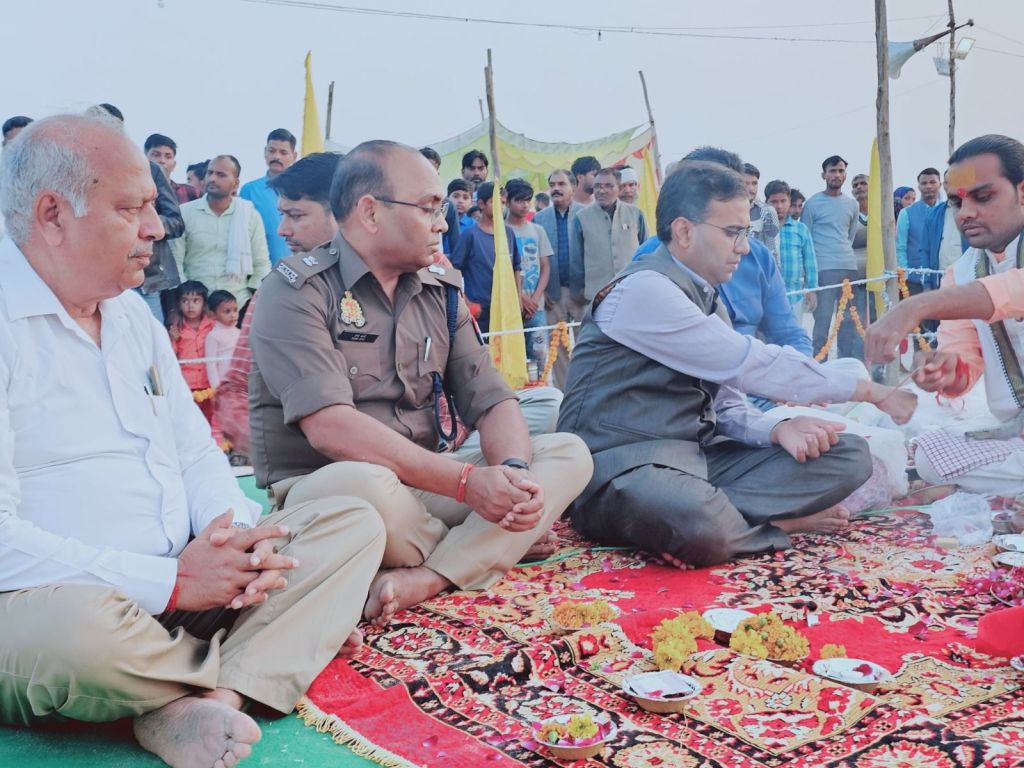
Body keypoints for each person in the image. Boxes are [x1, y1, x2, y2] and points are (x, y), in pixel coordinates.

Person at [0, 113, 384, 768]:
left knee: (350, 524)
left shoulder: (130, 316)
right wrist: (173, 584)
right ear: (53, 215)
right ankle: (251, 664)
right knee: (75, 636)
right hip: (60, 606)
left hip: (189, 582)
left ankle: (199, 701)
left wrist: (231, 538)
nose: (156, 229)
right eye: (132, 209)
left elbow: (194, 450)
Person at [248, 140, 592, 626]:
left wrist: (511, 476)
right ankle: (487, 547)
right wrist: (469, 486)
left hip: (427, 480)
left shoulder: (439, 289)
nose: (444, 223)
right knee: (364, 483)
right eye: (429, 208)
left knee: (568, 451)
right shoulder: (295, 290)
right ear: (371, 213)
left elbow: (491, 398)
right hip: (335, 489)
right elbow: (330, 429)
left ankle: (430, 576)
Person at [558, 160, 916, 568]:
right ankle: (768, 524)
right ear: (684, 231)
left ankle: (714, 520)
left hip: (697, 463)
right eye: (733, 233)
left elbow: (727, 407)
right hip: (623, 470)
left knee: (850, 456)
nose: (744, 248)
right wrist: (870, 391)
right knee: (693, 517)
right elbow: (749, 363)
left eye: (745, 233)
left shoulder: (709, 300)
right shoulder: (644, 289)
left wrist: (778, 429)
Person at [215, 152, 343, 464]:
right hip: (313, 472)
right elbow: (235, 391)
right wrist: (294, 460)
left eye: (296, 216)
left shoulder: (413, 278)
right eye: (283, 215)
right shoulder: (277, 290)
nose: (282, 230)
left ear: (345, 212)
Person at [864, 134, 1024, 367]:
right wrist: (949, 372)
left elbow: (1014, 288)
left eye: (982, 197)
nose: (964, 213)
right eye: (956, 203)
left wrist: (917, 305)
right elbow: (962, 350)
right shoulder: (960, 273)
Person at [173, 155, 272, 305]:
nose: (212, 178)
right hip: (195, 307)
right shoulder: (185, 213)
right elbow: (175, 264)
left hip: (237, 305)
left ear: (235, 183)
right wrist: (182, 304)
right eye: (210, 173)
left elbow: (261, 264)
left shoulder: (250, 216)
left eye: (221, 175)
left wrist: (251, 305)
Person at [803, 155, 863, 360]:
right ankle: (820, 365)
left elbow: (849, 236)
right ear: (824, 175)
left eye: (840, 171)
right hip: (824, 269)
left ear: (845, 175)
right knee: (822, 322)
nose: (836, 175)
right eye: (832, 171)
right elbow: (806, 239)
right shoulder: (812, 204)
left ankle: (844, 364)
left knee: (848, 321)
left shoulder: (852, 204)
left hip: (849, 268)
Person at [534, 169, 586, 388]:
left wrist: (589, 288)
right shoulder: (539, 219)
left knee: (587, 345)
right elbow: (535, 258)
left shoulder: (586, 214)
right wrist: (543, 290)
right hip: (553, 294)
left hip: (582, 293)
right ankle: (565, 394)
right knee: (558, 349)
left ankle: (588, 390)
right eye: (552, 184)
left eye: (561, 184)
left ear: (573, 187)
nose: (555, 188)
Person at [450, 181, 522, 333]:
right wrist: (466, 302)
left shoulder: (508, 233)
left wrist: (518, 300)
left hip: (505, 309)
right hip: (480, 311)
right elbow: (453, 270)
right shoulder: (470, 235)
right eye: (495, 202)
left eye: (503, 203)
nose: (500, 207)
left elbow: (516, 267)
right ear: (481, 204)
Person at [571, 167, 647, 303]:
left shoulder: (635, 214)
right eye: (597, 186)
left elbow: (645, 252)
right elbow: (576, 260)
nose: (601, 191)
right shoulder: (581, 218)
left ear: (618, 188)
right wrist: (580, 291)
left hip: (633, 290)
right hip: (597, 295)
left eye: (608, 186)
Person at [506, 177, 553, 372]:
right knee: (512, 358)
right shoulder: (501, 231)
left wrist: (535, 298)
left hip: (537, 308)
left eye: (528, 200)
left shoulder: (537, 230)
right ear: (507, 201)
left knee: (540, 355)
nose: (525, 205)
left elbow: (545, 267)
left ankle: (540, 388)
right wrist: (520, 297)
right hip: (511, 307)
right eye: (519, 200)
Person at [240, 129, 299, 266]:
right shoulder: (249, 190)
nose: (276, 157)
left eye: (283, 152)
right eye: (272, 151)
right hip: (259, 268)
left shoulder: (303, 190)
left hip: (297, 267)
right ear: (265, 152)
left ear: (294, 156)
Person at [766, 178, 817, 314]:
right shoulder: (761, 229)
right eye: (774, 202)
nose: (779, 206)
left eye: (783, 201)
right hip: (766, 297)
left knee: (794, 328)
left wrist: (812, 290)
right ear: (766, 203)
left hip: (794, 296)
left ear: (789, 201)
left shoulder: (801, 229)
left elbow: (810, 263)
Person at [170, 280, 216, 425]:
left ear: (204, 303)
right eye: (185, 301)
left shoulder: (213, 325)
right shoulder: (176, 327)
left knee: (211, 419)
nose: (190, 306)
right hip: (187, 384)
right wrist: (173, 340)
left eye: (196, 301)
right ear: (178, 304)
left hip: (209, 382)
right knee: (191, 421)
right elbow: (171, 356)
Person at [145, 132, 200, 204]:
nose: (162, 161)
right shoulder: (134, 190)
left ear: (174, 165)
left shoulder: (191, 193)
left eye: (168, 157)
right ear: (144, 159)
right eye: (156, 155)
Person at [742, 163, 780, 261]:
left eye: (754, 183)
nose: (751, 188)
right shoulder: (727, 210)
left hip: (758, 266)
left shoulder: (767, 211)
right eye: (746, 183)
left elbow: (773, 250)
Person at [205, 289, 240, 389]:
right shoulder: (213, 336)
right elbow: (211, 364)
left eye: (235, 310)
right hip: (224, 385)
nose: (233, 315)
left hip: (240, 382)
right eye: (227, 311)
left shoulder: (239, 332)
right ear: (213, 314)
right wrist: (216, 388)